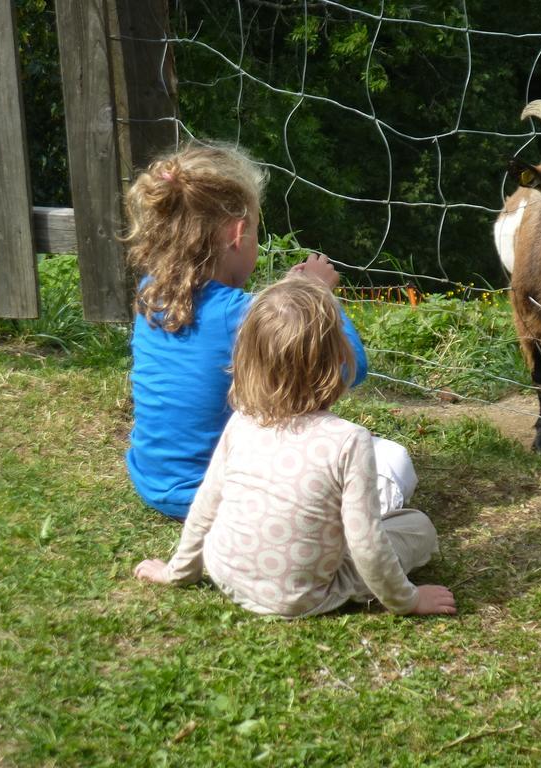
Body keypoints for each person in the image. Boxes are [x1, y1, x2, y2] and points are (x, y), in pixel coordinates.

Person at [124, 143, 419, 521]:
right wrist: (315, 297)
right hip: (223, 497)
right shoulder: (242, 315)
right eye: (256, 232)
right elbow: (351, 368)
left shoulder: (152, 291)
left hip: (153, 481)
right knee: (392, 461)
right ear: (238, 233)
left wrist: (288, 302)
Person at [134, 276, 456, 617]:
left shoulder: (242, 420)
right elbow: (367, 545)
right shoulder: (349, 440)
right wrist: (408, 600)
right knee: (416, 525)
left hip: (225, 573)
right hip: (302, 596)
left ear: (247, 360)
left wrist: (176, 572)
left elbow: (205, 507)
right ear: (338, 358)